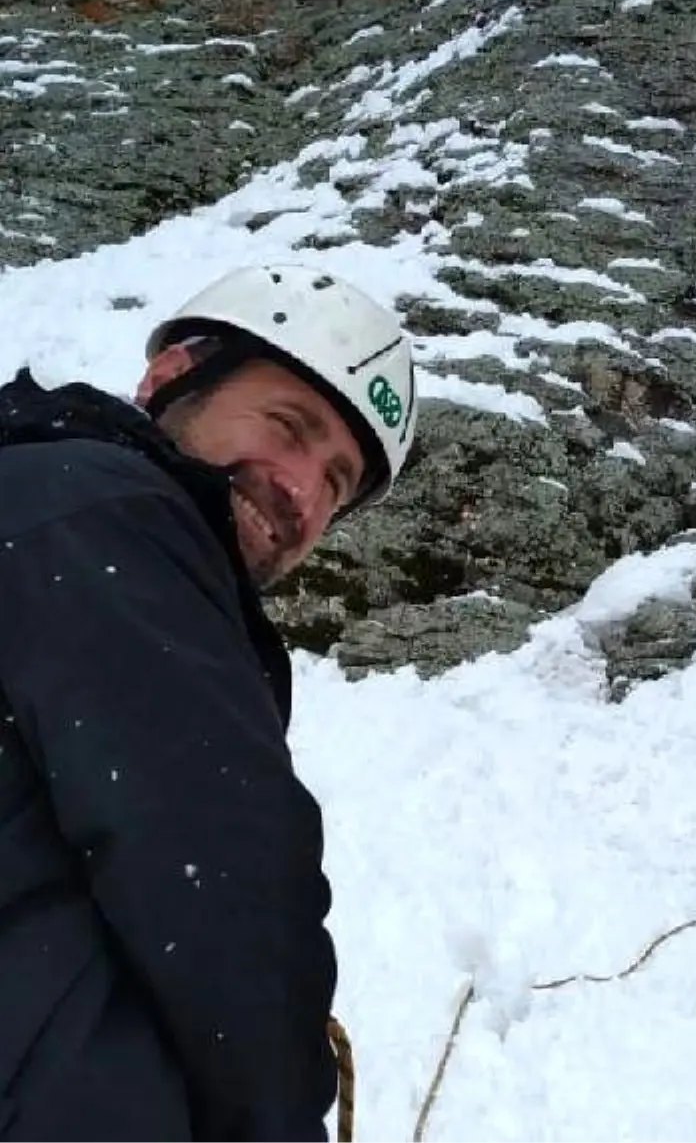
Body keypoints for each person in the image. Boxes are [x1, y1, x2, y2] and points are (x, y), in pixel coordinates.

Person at [0, 264, 417, 1143]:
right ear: (168, 377)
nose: (302, 491)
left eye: (336, 481)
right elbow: (220, 870)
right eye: (288, 426)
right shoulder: (97, 506)